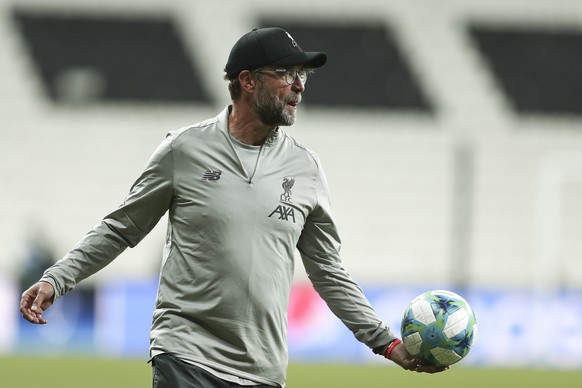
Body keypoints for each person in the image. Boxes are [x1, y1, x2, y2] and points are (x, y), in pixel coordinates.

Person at [20, 27, 447, 387]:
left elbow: (328, 271)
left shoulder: (306, 168)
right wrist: (58, 278)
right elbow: (120, 228)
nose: (299, 84)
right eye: (285, 73)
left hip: (262, 370)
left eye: (302, 73)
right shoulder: (184, 149)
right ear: (247, 81)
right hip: (185, 354)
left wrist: (385, 343)